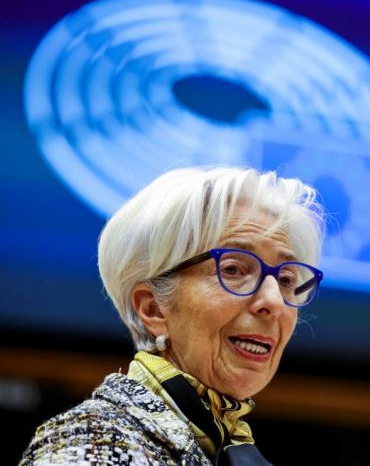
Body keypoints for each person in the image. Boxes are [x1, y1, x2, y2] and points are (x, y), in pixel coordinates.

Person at [20, 167, 326, 465]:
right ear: (153, 309)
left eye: (285, 279)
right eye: (233, 269)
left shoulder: (218, 443)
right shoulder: (94, 442)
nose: (274, 301)